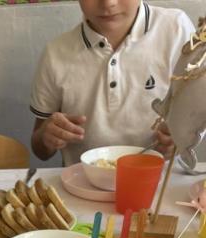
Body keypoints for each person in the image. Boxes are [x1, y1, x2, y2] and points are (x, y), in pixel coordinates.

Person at [30, 0, 194, 165]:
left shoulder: (175, 28)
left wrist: (182, 139)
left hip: (165, 176)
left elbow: (198, 114)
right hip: (84, 178)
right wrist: (47, 137)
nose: (108, 3)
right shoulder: (55, 54)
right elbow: (40, 150)